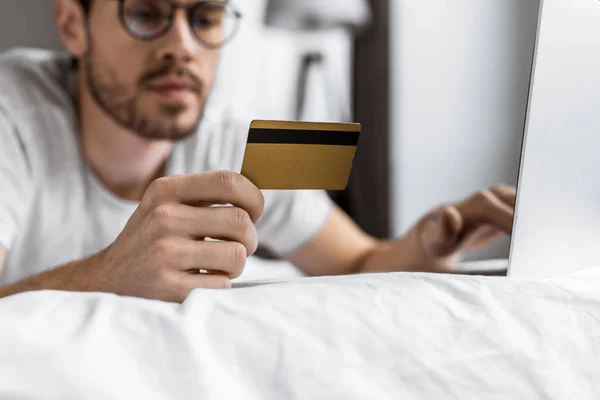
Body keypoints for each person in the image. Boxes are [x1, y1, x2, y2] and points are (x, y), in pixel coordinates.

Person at [0, 0, 516, 303]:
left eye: (205, 18)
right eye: (145, 13)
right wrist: (106, 277)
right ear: (72, 25)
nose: (182, 46)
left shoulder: (233, 135)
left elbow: (358, 262)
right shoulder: (10, 111)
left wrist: (431, 244)